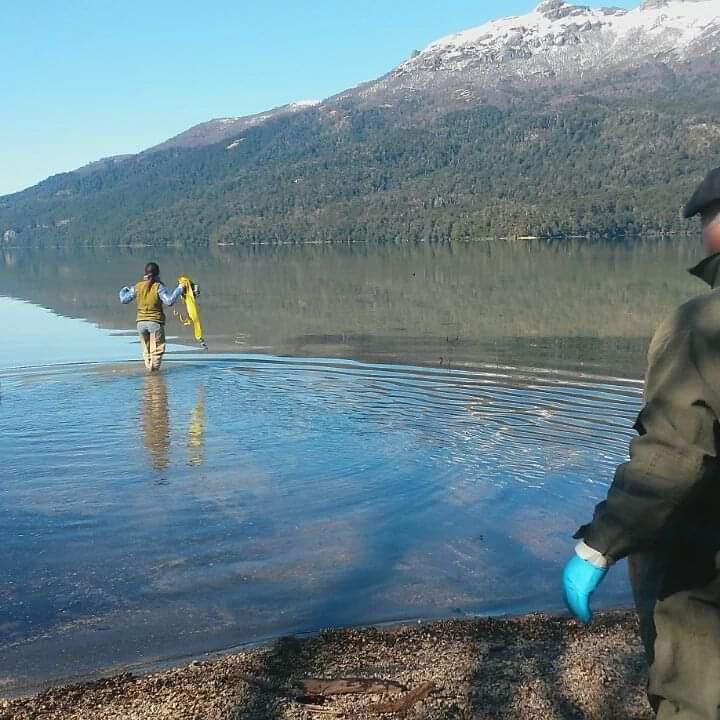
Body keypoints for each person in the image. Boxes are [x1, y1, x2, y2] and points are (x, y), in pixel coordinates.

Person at [562, 166, 720, 719]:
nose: (704, 232)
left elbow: (672, 460)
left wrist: (598, 544)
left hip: (704, 572)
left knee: (696, 697)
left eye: (707, 218)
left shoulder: (703, 326)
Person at [119, 262, 184, 371]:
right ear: (157, 274)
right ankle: (154, 378)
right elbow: (169, 301)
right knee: (156, 353)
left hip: (140, 324)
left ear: (145, 273)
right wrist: (180, 288)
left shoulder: (137, 287)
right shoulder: (158, 287)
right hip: (155, 323)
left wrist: (123, 290)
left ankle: (148, 380)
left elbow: (123, 300)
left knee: (147, 352)